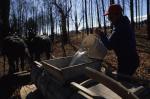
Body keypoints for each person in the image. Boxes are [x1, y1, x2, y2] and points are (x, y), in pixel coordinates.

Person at [96, 4, 139, 77]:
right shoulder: (124, 23)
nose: (109, 19)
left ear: (116, 15)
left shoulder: (120, 28)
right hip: (132, 59)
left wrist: (102, 35)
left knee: (122, 83)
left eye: (110, 16)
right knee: (125, 80)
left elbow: (109, 45)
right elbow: (116, 39)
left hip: (127, 62)